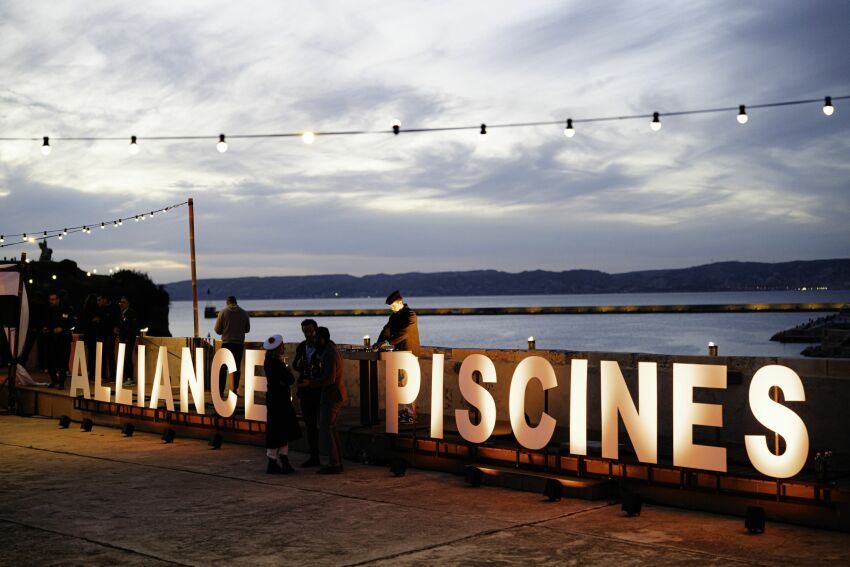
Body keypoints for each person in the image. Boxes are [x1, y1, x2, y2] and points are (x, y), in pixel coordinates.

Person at [263, 334, 302, 474]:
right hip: (281, 401)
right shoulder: (277, 364)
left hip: (274, 400)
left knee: (277, 430)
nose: (284, 347)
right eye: (282, 346)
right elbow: (290, 379)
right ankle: (279, 461)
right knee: (280, 430)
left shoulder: (268, 362)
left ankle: (275, 461)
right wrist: (287, 374)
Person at [313, 326, 348, 474]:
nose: (314, 341)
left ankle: (334, 464)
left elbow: (329, 378)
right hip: (336, 394)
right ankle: (337, 462)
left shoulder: (329, 353)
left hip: (332, 396)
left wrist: (311, 383)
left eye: (316, 338)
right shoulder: (331, 349)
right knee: (331, 428)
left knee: (326, 428)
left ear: (322, 338)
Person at [292, 319, 321, 467]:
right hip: (305, 391)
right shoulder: (302, 346)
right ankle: (314, 456)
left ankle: (331, 456)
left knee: (324, 425)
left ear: (316, 330)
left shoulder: (324, 345)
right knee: (310, 426)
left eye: (310, 331)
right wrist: (299, 365)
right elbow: (294, 365)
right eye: (305, 331)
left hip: (320, 391)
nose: (308, 334)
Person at [214, 296, 250, 398]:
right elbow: (247, 329)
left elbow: (217, 330)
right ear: (236, 302)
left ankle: (221, 392)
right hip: (239, 344)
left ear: (227, 302)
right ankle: (234, 390)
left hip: (227, 343)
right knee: (236, 368)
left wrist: (226, 329)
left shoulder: (223, 312)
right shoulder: (244, 313)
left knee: (223, 368)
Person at [43, 292, 75, 389]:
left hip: (63, 339)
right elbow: (45, 322)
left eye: (53, 299)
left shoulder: (67, 309)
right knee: (50, 361)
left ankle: (61, 383)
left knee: (63, 362)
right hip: (51, 339)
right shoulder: (48, 310)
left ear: (58, 299)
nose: (51, 301)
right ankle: (54, 380)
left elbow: (72, 323)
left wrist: (63, 328)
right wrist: (45, 328)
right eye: (50, 299)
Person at [374, 290, 420, 356]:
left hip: (410, 354)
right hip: (397, 353)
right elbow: (386, 331)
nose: (391, 308)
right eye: (390, 306)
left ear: (400, 302)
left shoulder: (410, 314)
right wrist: (378, 343)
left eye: (393, 305)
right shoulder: (393, 316)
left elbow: (405, 332)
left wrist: (387, 342)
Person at [95, 294, 118, 383]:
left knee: (110, 356)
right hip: (101, 335)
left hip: (109, 336)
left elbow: (115, 321)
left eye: (100, 300)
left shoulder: (112, 309)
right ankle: (103, 376)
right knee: (102, 356)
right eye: (97, 300)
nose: (98, 302)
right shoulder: (99, 310)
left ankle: (113, 377)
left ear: (105, 300)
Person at [117, 296, 138, 386]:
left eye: (124, 302)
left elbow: (132, 327)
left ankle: (130, 378)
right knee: (124, 358)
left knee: (128, 358)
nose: (121, 304)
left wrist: (127, 338)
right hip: (122, 339)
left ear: (128, 304)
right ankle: (126, 377)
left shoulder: (131, 313)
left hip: (128, 340)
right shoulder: (121, 313)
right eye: (121, 302)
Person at [78, 294, 98, 380]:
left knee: (90, 354)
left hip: (88, 334)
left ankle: (90, 372)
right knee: (93, 355)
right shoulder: (94, 310)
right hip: (93, 334)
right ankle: (93, 373)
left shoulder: (85, 309)